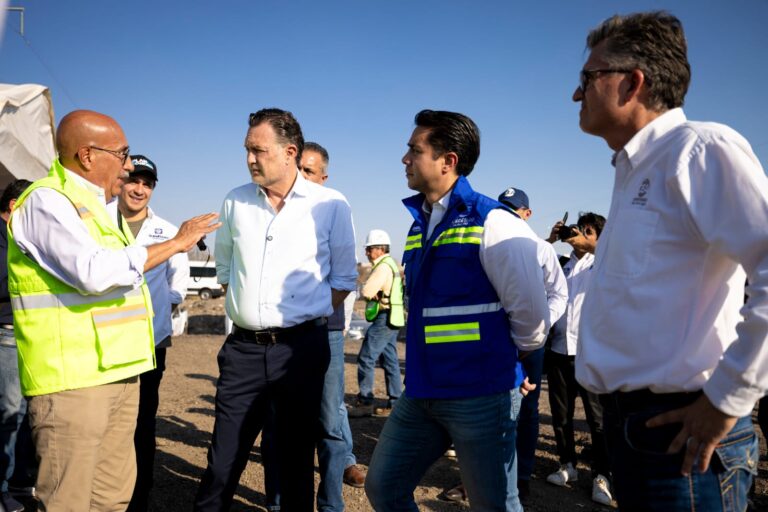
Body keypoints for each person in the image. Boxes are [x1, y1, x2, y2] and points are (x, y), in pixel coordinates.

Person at [573, 12, 767, 510]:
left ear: (632, 82)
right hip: (633, 432)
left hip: (683, 440)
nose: (578, 94)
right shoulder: (636, 171)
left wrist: (728, 398)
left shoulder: (700, 150)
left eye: (587, 78)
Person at [7, 109, 219, 511]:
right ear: (87, 155)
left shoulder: (100, 212)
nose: (127, 166)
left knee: (112, 495)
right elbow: (91, 272)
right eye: (122, 155)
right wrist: (176, 244)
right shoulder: (47, 201)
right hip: (73, 382)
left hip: (119, 374)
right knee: (69, 499)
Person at [365, 110, 550, 512]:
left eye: (415, 150)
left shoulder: (495, 222)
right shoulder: (418, 227)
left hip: (481, 396)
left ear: (448, 161)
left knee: (496, 505)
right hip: (422, 392)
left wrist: (501, 362)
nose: (405, 159)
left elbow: (533, 319)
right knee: (383, 487)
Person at [195, 109, 357, 512]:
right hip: (243, 351)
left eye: (258, 150)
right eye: (247, 150)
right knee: (223, 458)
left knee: (295, 459)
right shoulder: (235, 200)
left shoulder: (331, 205)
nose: (250, 158)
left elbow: (342, 280)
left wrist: (302, 316)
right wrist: (253, 310)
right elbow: (226, 269)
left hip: (300, 350)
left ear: (289, 152)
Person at [260, 141, 364, 512]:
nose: (300, 176)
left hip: (326, 331)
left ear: (323, 176)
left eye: (308, 170)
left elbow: (345, 276)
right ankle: (277, 503)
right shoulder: (268, 209)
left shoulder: (333, 207)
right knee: (276, 423)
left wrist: (322, 315)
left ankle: (330, 504)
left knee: (329, 419)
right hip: (278, 336)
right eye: (297, 168)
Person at [107, 155, 190, 511]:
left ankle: (139, 496)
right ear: (121, 181)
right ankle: (106, 494)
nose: (139, 189)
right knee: (106, 421)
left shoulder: (169, 231)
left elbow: (179, 284)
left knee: (142, 421)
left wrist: (154, 306)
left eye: (147, 183)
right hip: (106, 340)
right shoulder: (96, 220)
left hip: (150, 341)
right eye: (133, 181)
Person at [497, 187, 567, 500]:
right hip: (497, 340)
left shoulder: (541, 248)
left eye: (515, 210)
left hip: (531, 344)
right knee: (491, 406)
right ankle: (490, 474)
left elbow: (558, 293)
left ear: (528, 214)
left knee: (526, 409)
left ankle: (521, 474)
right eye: (504, 209)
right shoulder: (490, 244)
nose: (509, 215)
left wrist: (540, 326)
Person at [543, 212, 611, 505]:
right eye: (578, 229)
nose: (580, 235)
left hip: (592, 354)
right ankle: (567, 464)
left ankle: (602, 475)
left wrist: (592, 243)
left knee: (598, 420)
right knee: (561, 415)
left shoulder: (605, 263)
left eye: (588, 231)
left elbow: (611, 251)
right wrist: (550, 240)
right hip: (559, 351)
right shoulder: (563, 264)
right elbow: (531, 264)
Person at [0, 180, 32, 512]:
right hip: (7, 332)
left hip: (25, 332)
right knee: (9, 412)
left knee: (22, 412)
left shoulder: (18, 240)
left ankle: (17, 480)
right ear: (13, 207)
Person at [347, 229, 404, 418]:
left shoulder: (382, 267)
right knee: (390, 361)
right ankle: (395, 402)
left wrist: (368, 290)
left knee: (366, 358)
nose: (367, 253)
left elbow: (367, 291)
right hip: (393, 317)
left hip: (384, 317)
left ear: (380, 249)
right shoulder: (392, 264)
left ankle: (365, 402)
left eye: (369, 249)